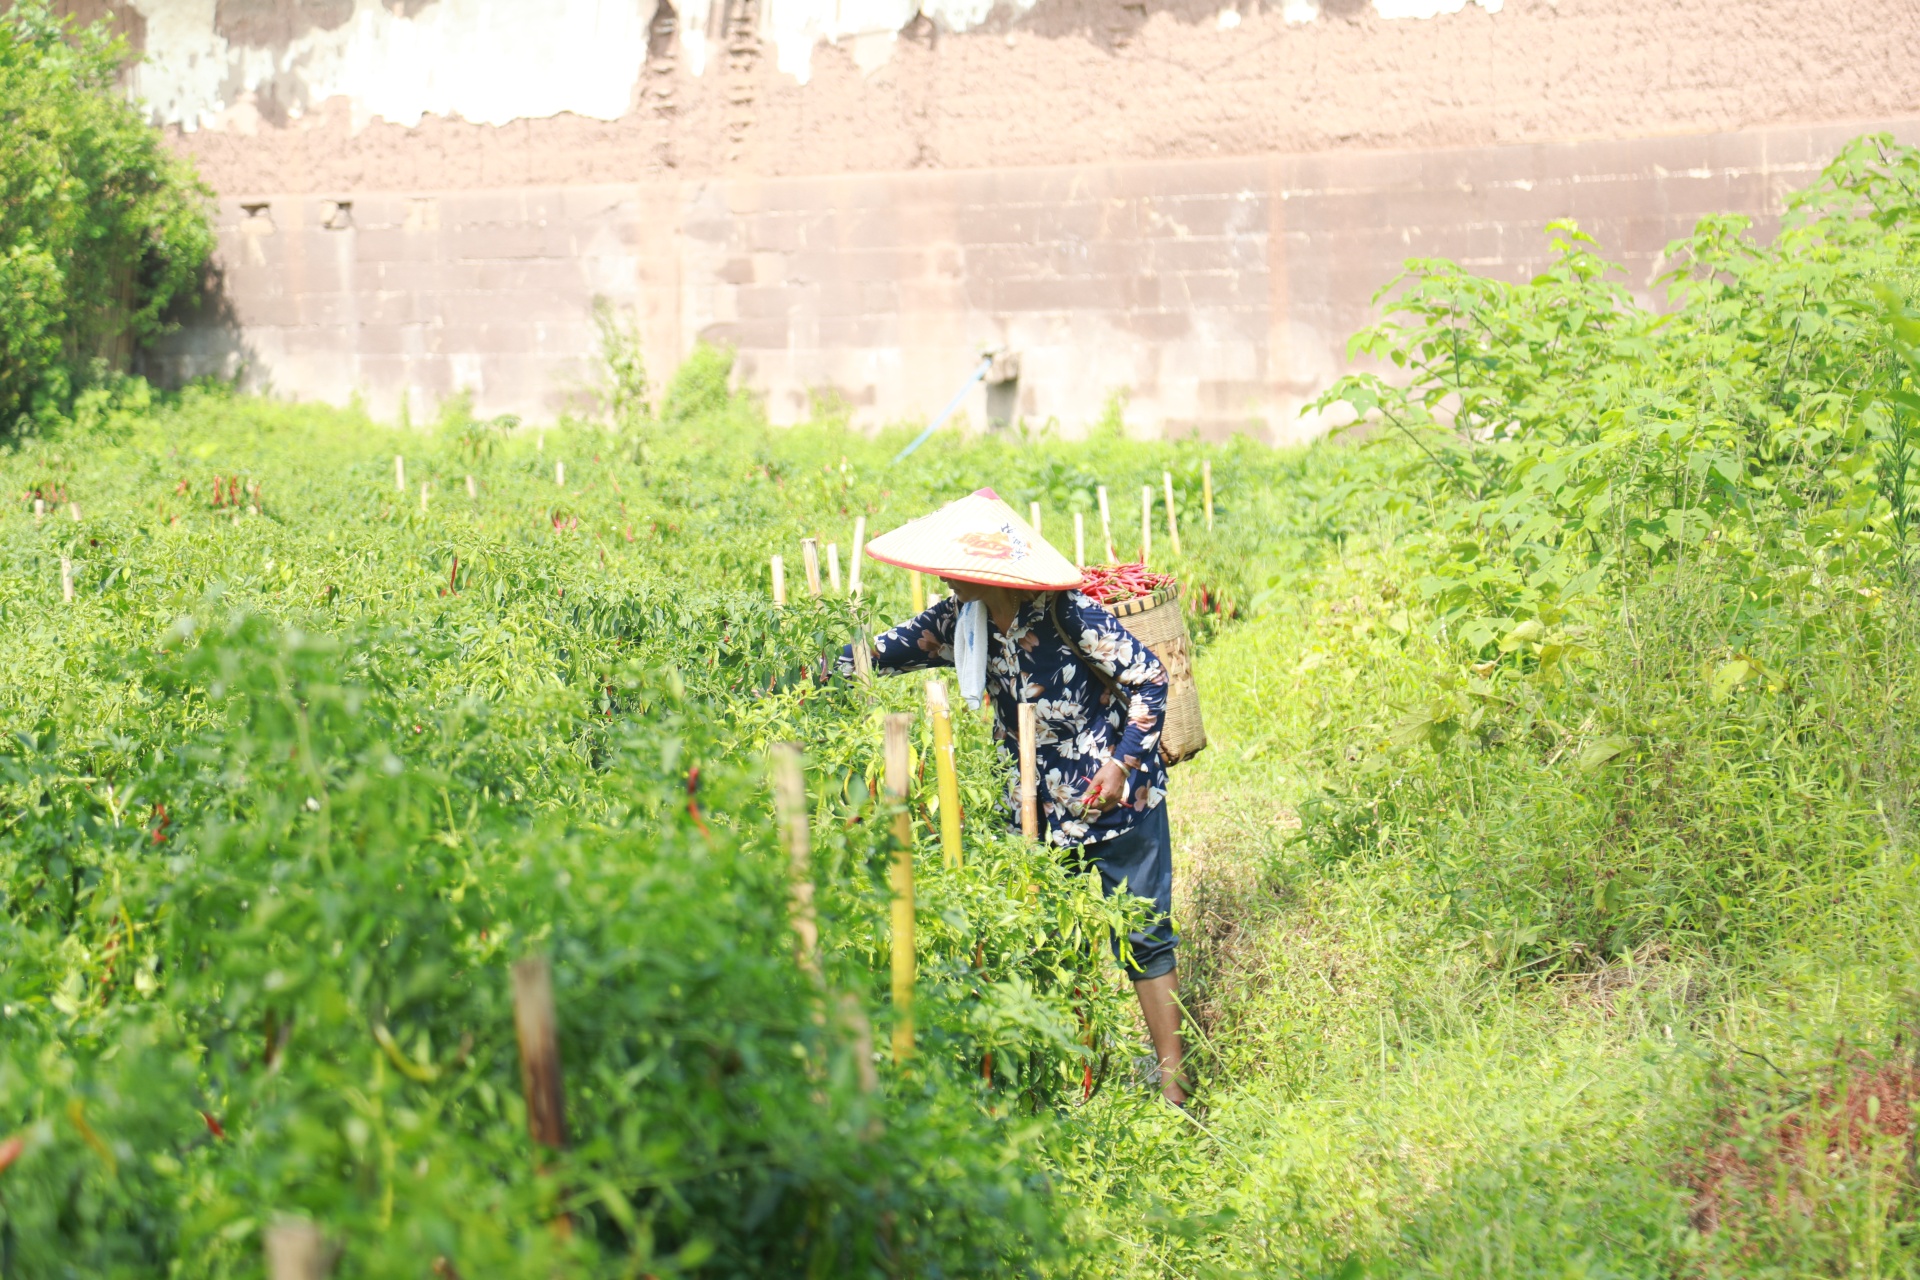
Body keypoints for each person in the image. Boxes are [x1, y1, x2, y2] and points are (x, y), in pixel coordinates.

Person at [838, 489, 1189, 1106]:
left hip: (1114, 801)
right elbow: (875, 656)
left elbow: (1149, 678)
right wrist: (796, 662)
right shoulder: (956, 621)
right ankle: (1084, 1077)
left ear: (991, 570)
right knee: (1050, 936)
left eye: (955, 566)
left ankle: (1174, 1086)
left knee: (1143, 937)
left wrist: (1121, 763)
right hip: (1033, 810)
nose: (944, 576)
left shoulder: (1067, 614)